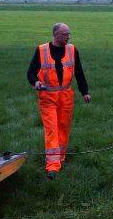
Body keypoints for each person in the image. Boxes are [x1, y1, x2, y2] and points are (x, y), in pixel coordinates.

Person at [27, 22, 91, 179]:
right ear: (55, 34)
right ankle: (52, 166)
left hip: (66, 97)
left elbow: (79, 72)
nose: (68, 37)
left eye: (69, 34)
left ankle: (60, 158)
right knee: (52, 129)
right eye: (65, 34)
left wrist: (85, 92)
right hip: (48, 97)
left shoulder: (72, 50)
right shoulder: (42, 50)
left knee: (63, 127)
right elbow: (30, 72)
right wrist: (36, 82)